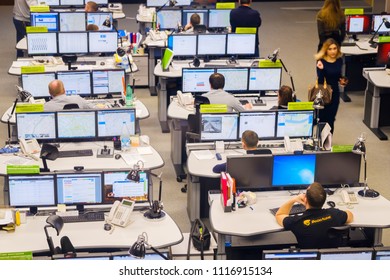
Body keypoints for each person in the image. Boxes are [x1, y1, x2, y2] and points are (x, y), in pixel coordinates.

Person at [275, 182, 353, 249]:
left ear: (305, 200)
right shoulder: (335, 214)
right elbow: (350, 215)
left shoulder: (297, 222)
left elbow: (279, 214)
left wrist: (294, 199)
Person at [315, 38, 348, 134]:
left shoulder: (339, 60)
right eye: (330, 49)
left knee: (331, 119)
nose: (333, 51)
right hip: (323, 93)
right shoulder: (321, 61)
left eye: (334, 48)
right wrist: (321, 69)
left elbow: (338, 75)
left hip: (335, 94)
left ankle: (328, 142)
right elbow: (320, 79)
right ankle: (320, 140)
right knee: (322, 119)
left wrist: (342, 79)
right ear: (326, 50)